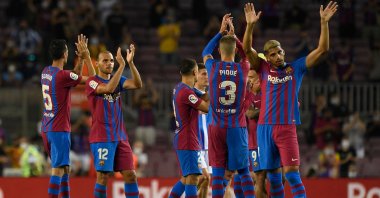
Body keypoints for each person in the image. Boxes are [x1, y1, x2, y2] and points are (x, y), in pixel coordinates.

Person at [243, 2, 338, 197]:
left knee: (293, 175)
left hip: (287, 128)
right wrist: (250, 25)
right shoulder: (262, 68)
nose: (278, 56)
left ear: (283, 52)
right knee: (273, 176)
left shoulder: (296, 68)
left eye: (279, 52)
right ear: (267, 58)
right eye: (273, 54)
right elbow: (246, 49)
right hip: (265, 128)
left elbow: (322, 50)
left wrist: (324, 23)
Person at [202, 14, 255, 197]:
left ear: (219, 51)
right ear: (234, 50)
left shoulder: (213, 67)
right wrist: (236, 38)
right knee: (243, 171)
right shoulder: (243, 68)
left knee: (217, 172)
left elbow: (205, 52)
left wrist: (219, 33)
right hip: (236, 126)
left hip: (216, 126)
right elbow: (247, 54)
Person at [40, 34, 95, 198]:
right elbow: (86, 79)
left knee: (65, 168)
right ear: (65, 54)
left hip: (47, 127)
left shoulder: (45, 72)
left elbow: (75, 77)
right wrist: (84, 57)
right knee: (58, 169)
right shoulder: (63, 76)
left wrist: (81, 63)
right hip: (59, 129)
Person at [85, 44, 142, 198]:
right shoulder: (91, 81)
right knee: (103, 177)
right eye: (105, 61)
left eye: (111, 61)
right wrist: (121, 66)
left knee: (131, 175)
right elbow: (109, 88)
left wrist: (130, 63)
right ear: (97, 64)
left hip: (121, 137)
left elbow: (137, 84)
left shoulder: (118, 80)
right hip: (102, 137)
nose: (109, 63)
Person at [169, 58, 210, 198]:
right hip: (187, 139)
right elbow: (206, 107)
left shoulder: (180, 87)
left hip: (183, 138)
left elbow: (203, 95)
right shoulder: (187, 93)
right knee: (193, 178)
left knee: (187, 178)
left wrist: (208, 94)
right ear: (195, 72)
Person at [193, 63, 211, 198]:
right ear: (195, 75)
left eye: (208, 73)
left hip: (209, 145)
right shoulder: (190, 94)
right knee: (202, 178)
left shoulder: (211, 95)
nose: (207, 76)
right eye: (203, 73)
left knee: (207, 181)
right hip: (196, 143)